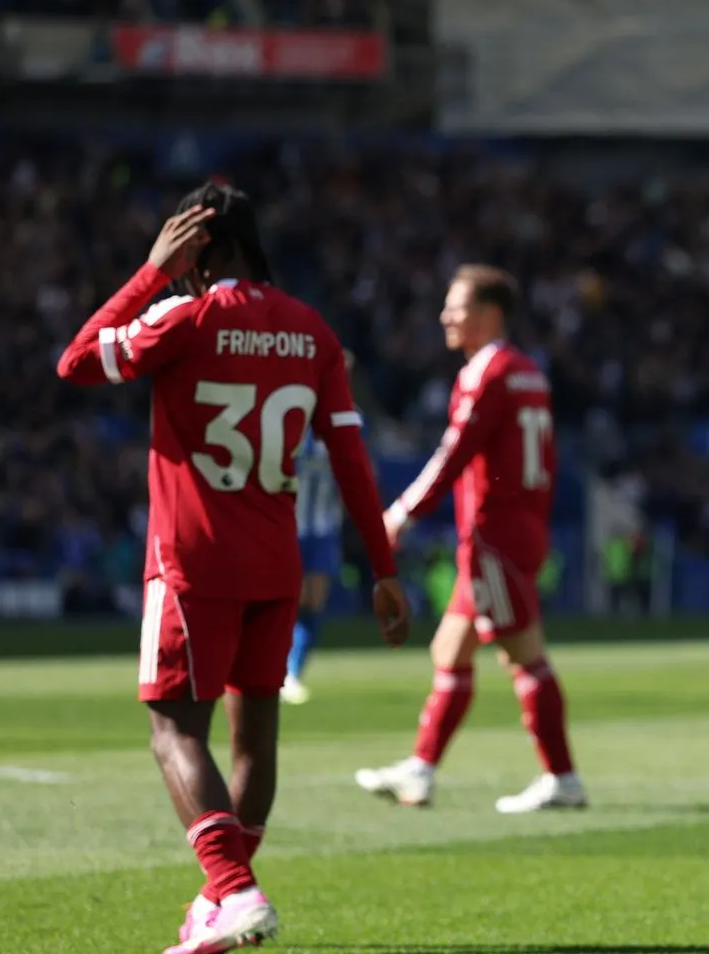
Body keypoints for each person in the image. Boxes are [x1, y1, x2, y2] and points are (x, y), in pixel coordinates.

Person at [55, 185, 409, 954]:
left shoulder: (186, 315)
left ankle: (235, 890)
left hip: (192, 563)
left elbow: (77, 360)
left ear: (200, 248)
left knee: (173, 732)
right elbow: (350, 457)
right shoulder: (312, 332)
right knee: (256, 742)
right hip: (275, 568)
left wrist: (149, 274)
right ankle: (222, 901)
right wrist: (382, 570)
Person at [354, 264, 585, 813]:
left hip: (494, 536)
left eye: (455, 306)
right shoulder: (529, 370)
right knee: (449, 649)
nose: (445, 316)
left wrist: (403, 512)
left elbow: (454, 453)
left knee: (524, 656)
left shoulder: (487, 372)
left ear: (489, 313)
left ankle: (563, 778)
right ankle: (421, 771)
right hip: (516, 527)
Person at [282, 411, 344, 705]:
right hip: (287, 524)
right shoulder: (290, 413)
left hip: (323, 526)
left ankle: (292, 672)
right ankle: (273, 666)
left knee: (314, 600)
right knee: (287, 599)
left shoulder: (348, 419)